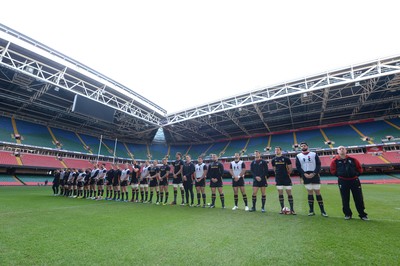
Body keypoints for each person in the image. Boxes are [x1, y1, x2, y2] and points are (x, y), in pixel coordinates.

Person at [330, 146, 368, 220]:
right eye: (340, 149)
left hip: (354, 181)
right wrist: (340, 176)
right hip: (343, 181)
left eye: (343, 148)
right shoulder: (334, 161)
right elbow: (332, 170)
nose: (341, 150)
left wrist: (356, 175)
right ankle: (347, 214)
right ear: (337, 151)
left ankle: (362, 214)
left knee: (359, 198)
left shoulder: (353, 159)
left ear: (346, 150)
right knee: (345, 198)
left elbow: (359, 168)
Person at [296, 142, 328, 217]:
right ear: (300, 148)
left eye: (304, 145)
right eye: (302, 146)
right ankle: (311, 210)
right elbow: (298, 166)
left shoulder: (313, 154)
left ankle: (323, 211)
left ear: (307, 146)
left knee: (317, 192)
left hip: (314, 174)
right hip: (305, 175)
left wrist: (314, 173)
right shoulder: (298, 156)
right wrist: (304, 174)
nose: (303, 147)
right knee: (309, 192)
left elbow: (318, 164)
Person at [271, 147, 296, 214]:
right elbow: (274, 169)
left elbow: (290, 169)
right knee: (280, 193)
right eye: (275, 150)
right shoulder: (273, 160)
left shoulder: (286, 159)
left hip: (286, 178)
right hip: (278, 179)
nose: (276, 151)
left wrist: (286, 173)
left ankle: (292, 210)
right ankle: (282, 209)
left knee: (289, 193)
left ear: (281, 151)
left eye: (278, 150)